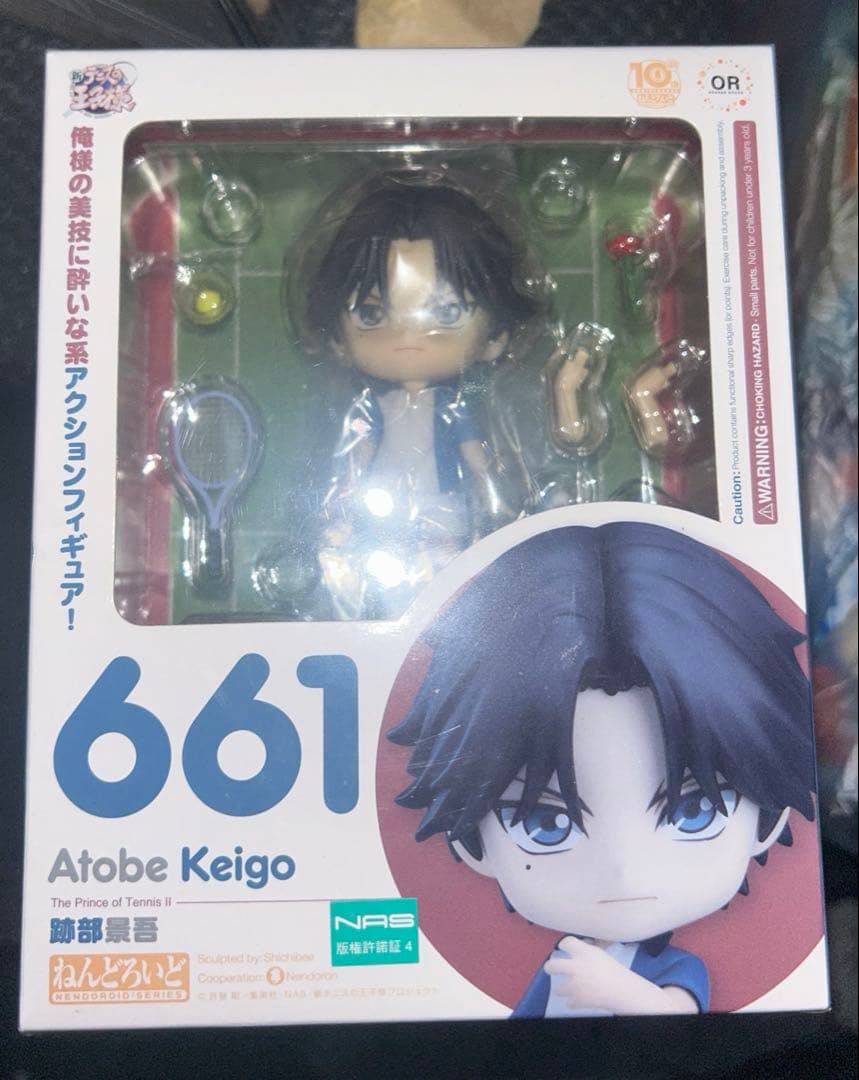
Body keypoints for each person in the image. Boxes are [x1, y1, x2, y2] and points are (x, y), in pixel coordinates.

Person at [389, 522, 817, 1016]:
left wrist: (620, 993)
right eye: (545, 823)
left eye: (695, 811)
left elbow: (678, 1021)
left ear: (769, 819)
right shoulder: (564, 962)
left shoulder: (674, 968)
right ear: (472, 842)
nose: (622, 868)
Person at [301, 174, 544, 618]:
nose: (408, 337)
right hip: (381, 501)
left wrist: (494, 493)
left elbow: (476, 459)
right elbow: (359, 454)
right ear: (335, 335)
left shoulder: (453, 406)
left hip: (442, 502)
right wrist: (345, 500)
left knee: (446, 568)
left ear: (496, 337)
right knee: (379, 568)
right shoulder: (372, 408)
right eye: (371, 313)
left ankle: (444, 614)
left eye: (447, 312)